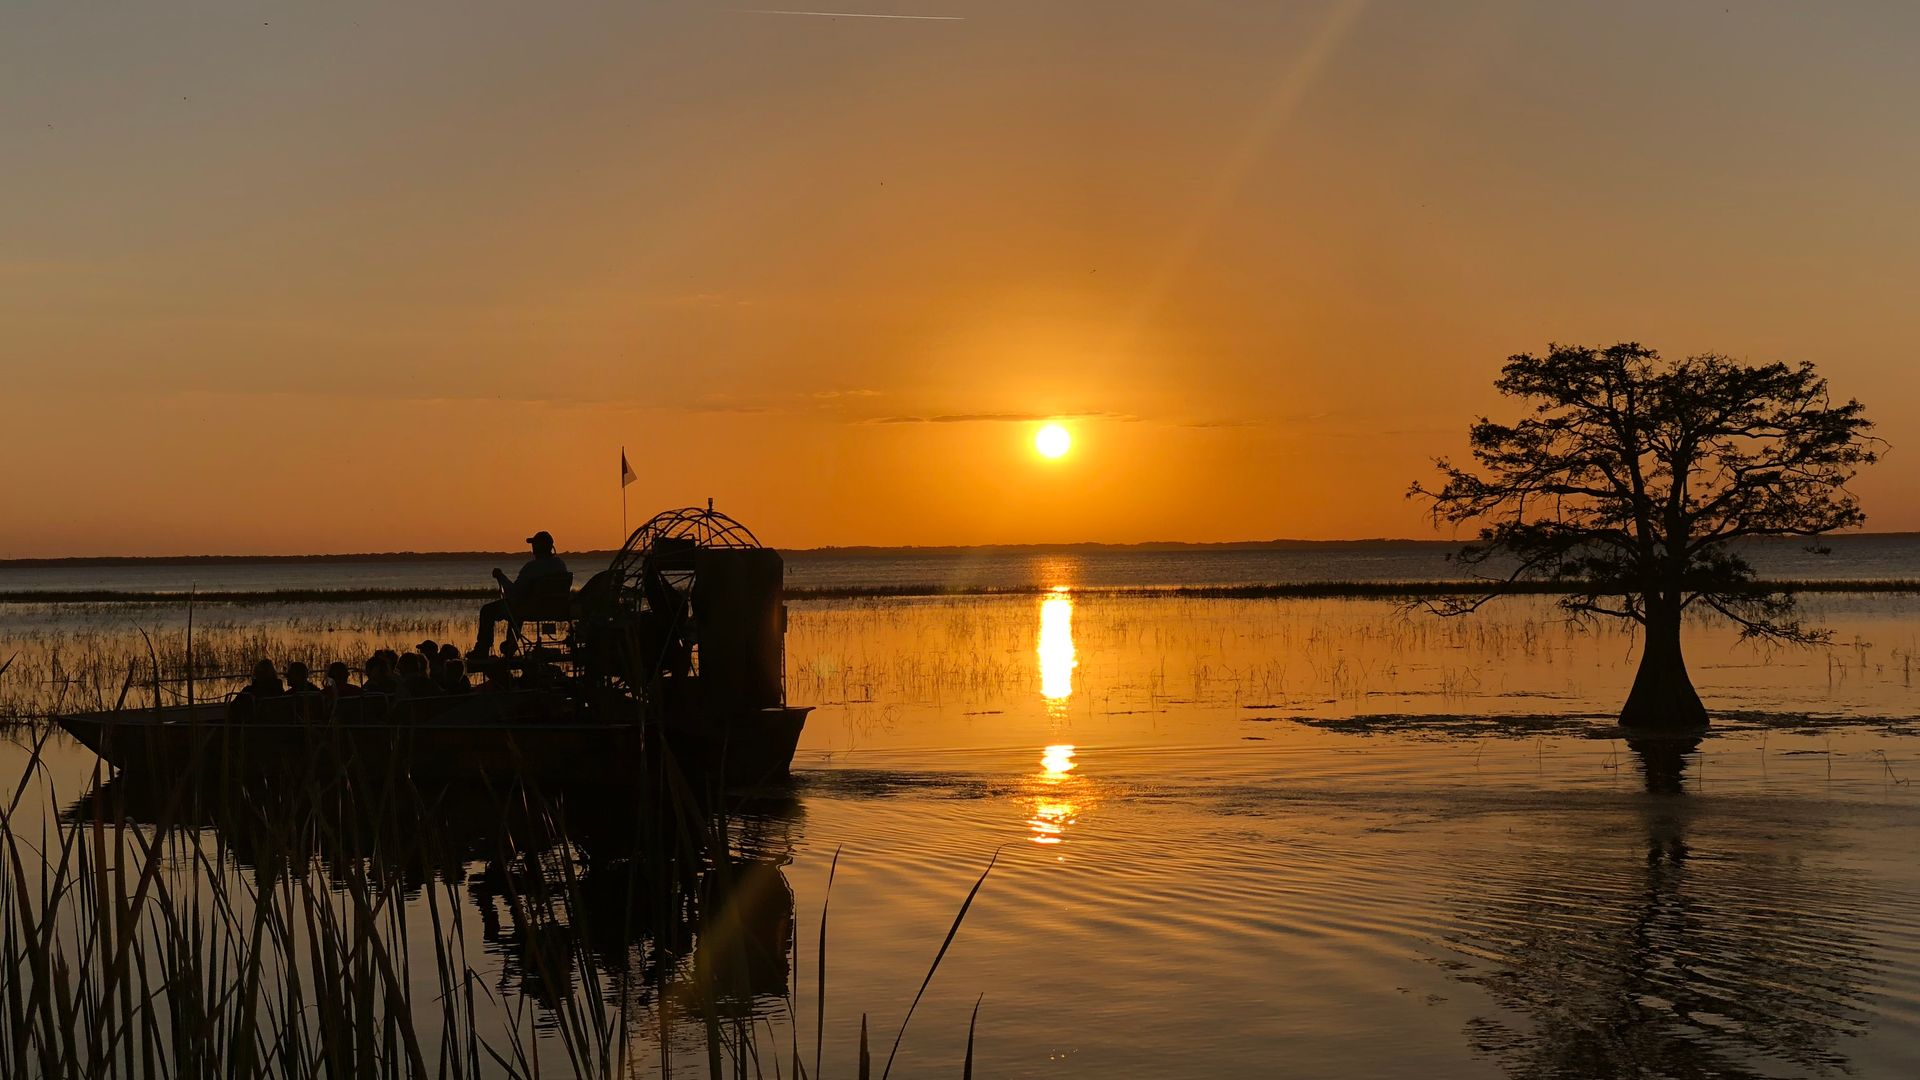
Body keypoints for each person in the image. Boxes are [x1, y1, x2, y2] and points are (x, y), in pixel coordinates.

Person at [472, 530, 569, 658]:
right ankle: (510, 646)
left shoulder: (532, 567)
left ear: (537, 548)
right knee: (518, 608)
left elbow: (514, 593)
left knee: (488, 611)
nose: (532, 548)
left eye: (534, 545)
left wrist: (501, 577)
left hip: (530, 609)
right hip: (554, 609)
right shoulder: (560, 564)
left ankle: (482, 650)